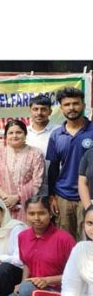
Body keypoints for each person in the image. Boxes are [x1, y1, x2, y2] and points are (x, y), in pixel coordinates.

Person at [0, 196, 76, 296]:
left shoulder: (64, 239)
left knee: (26, 289)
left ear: (50, 213)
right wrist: (23, 282)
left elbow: (76, 275)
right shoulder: (23, 236)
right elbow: (26, 264)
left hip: (59, 291)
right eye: (31, 214)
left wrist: (48, 280)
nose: (36, 218)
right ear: (26, 214)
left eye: (41, 213)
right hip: (34, 289)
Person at [47, 87, 93, 239]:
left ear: (84, 105)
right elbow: (53, 168)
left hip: (89, 197)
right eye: (67, 104)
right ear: (61, 108)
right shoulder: (56, 135)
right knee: (65, 241)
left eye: (76, 103)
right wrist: (52, 196)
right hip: (63, 197)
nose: (71, 108)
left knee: (88, 241)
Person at [0, 119, 44, 222]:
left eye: (19, 132)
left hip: (26, 206)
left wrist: (17, 197)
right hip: (2, 206)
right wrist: (6, 197)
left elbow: (37, 183)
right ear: (6, 136)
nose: (14, 136)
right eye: (11, 133)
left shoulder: (35, 153)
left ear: (25, 134)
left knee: (24, 235)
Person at [26, 94, 56, 195]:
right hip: (28, 187)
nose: (39, 113)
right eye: (35, 109)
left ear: (50, 112)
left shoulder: (58, 131)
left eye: (43, 109)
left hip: (55, 185)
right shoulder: (23, 132)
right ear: (30, 111)